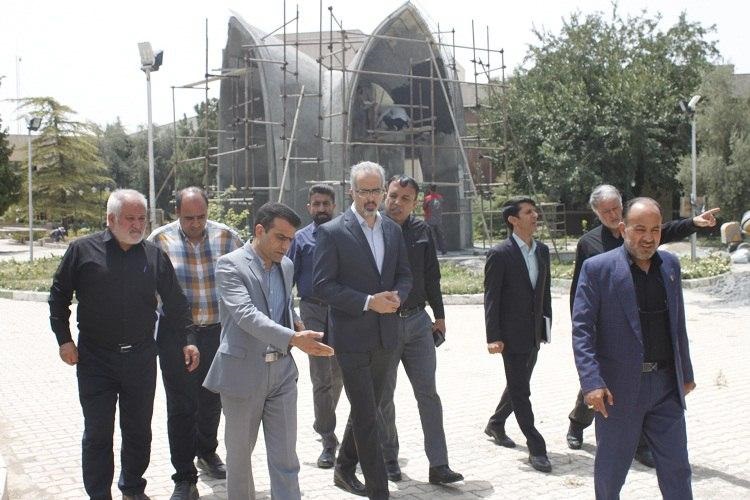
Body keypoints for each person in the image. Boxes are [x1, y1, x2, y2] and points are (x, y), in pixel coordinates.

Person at [49, 189, 199, 500]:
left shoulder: (154, 256)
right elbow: (59, 297)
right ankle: (99, 495)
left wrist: (188, 340)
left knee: (138, 431)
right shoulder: (82, 250)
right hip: (95, 360)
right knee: (98, 433)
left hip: (141, 358)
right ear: (111, 219)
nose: (137, 225)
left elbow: (175, 302)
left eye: (142, 219)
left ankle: (132, 487)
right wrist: (64, 340)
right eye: (130, 218)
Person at [565, 185, 718, 467]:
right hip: (611, 328)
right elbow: (580, 289)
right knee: (596, 387)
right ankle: (577, 424)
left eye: (616, 208)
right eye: (606, 211)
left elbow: (667, 230)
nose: (612, 214)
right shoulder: (589, 243)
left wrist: (694, 223)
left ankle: (642, 444)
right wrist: (584, 325)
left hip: (643, 323)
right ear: (597, 213)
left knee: (644, 388)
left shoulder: (641, 233)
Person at [202, 201, 334, 500]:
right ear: (259, 230)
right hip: (243, 374)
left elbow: (282, 306)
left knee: (286, 459)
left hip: (283, 374)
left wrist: (297, 324)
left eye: (290, 239)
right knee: (240, 460)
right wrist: (294, 338)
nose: (286, 246)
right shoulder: (230, 265)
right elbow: (246, 315)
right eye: (280, 237)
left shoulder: (286, 266)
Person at [313, 161, 412, 499]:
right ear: (351, 191)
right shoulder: (332, 232)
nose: (371, 197)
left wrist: (398, 296)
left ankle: (343, 469)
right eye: (364, 191)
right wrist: (369, 302)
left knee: (366, 408)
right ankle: (378, 491)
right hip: (351, 338)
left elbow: (405, 274)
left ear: (383, 192)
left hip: (386, 336)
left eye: (376, 191)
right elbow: (322, 286)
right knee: (369, 417)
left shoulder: (393, 230)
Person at [148, 187, 243, 499]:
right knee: (181, 405)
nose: (196, 223)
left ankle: (207, 452)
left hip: (218, 332)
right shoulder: (159, 241)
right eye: (189, 218)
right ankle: (184, 476)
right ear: (177, 212)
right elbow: (148, 288)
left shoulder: (227, 238)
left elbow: (248, 275)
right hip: (177, 337)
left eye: (201, 216)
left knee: (212, 398)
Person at [379, 175, 464, 485]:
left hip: (418, 322)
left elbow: (432, 277)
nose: (397, 202)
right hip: (384, 324)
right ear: (385, 195)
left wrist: (439, 316)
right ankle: (389, 459)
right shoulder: (373, 230)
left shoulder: (422, 231)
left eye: (405, 198)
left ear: (415, 203)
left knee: (428, 395)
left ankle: (439, 465)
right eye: (393, 196)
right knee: (383, 396)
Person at [483, 196, 552, 473]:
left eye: (535, 211)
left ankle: (496, 423)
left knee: (518, 384)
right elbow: (492, 299)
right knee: (522, 391)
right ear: (513, 220)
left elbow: (544, 292)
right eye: (528, 212)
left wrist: (545, 327)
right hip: (510, 336)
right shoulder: (500, 254)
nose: (535, 215)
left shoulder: (542, 251)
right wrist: (493, 337)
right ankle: (537, 447)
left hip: (533, 333)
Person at [286, 184, 344, 469]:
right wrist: (293, 318)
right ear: (309, 207)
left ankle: (323, 421)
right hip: (313, 311)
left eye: (326, 204)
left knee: (340, 373)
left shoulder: (346, 233)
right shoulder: (300, 239)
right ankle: (328, 439)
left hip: (343, 311)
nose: (321, 208)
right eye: (316, 204)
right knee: (321, 377)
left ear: (334, 206)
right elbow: (287, 279)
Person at [422, 184, 446, 255]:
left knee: (431, 236)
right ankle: (443, 250)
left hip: (429, 219)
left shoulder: (427, 198)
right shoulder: (440, 197)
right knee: (440, 235)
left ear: (430, 189)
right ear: (436, 189)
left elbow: (424, 207)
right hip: (438, 219)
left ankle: (434, 251)